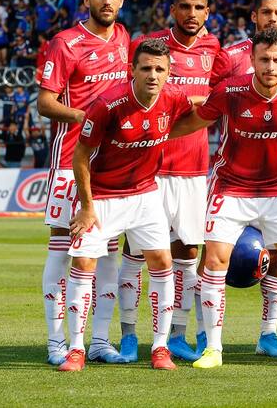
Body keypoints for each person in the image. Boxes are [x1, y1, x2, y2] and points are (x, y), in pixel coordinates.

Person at [169, 28, 277, 369]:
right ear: (252, 60)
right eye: (264, 59)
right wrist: (157, 134)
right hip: (230, 189)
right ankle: (214, 349)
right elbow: (195, 121)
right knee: (214, 262)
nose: (270, 66)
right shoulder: (230, 91)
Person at [58, 39, 193, 372]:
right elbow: (80, 155)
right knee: (84, 266)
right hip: (102, 197)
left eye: (159, 69)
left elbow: (202, 109)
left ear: (169, 73)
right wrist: (87, 206)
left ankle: (160, 347)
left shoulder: (174, 98)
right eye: (145, 68)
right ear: (132, 70)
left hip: (145, 195)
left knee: (162, 261)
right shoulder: (107, 104)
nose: (152, 75)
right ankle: (76, 348)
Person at [117, 0, 221, 363]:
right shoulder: (150, 47)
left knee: (188, 250)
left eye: (199, 8)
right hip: (150, 165)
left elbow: (236, 84)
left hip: (194, 167)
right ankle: (129, 334)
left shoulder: (215, 50)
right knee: (136, 250)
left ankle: (177, 333)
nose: (191, 14)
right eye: (185, 7)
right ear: (172, 10)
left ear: (207, 13)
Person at [36, 0, 131, 366]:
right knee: (62, 249)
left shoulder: (126, 38)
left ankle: (99, 341)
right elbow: (45, 102)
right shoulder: (65, 43)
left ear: (121, 0)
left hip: (110, 165)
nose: (106, 1)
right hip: (68, 161)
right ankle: (57, 341)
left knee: (109, 252)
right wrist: (88, 116)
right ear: (87, 0)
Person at [209, 0, 277, 359]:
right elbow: (211, 102)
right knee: (215, 255)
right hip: (233, 177)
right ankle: (208, 336)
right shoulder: (230, 56)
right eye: (266, 13)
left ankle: (268, 334)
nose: (273, 19)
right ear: (254, 16)